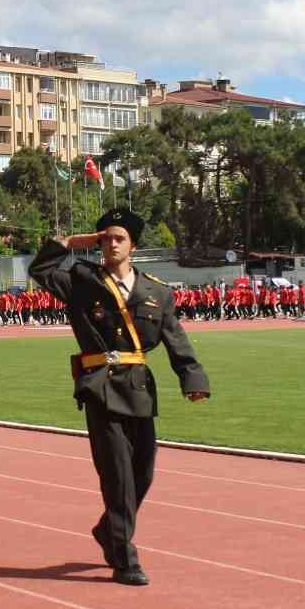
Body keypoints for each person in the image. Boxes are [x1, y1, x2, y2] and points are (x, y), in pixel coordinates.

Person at [30, 207, 210, 587]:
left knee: (143, 472)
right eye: (106, 238)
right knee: (118, 475)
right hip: (100, 386)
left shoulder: (156, 292)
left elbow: (176, 338)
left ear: (133, 246)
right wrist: (69, 244)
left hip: (139, 388)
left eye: (119, 238)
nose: (111, 244)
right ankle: (125, 556)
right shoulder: (82, 279)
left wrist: (192, 377)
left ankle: (107, 529)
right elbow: (41, 272)